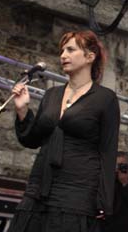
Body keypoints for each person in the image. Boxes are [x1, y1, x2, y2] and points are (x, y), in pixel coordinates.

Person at [8, 30, 120, 232]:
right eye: (62, 50)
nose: (63, 55)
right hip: (39, 186)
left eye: (70, 50)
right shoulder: (52, 94)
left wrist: (103, 200)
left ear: (89, 57)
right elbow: (32, 140)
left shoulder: (105, 98)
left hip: (77, 191)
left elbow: (108, 151)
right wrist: (23, 110)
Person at [104, 152, 128, 232]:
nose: (118, 169)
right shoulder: (106, 182)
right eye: (117, 165)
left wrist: (125, 183)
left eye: (122, 166)